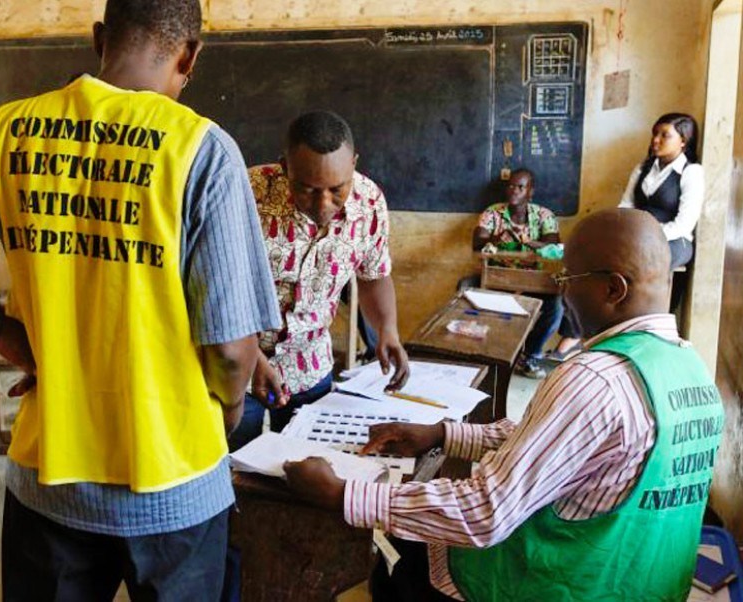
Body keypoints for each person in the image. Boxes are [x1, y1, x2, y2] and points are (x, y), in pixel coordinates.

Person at [0, 1, 281, 600]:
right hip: (177, 483)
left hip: (49, 477)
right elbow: (232, 352)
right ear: (191, 55)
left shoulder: (3, 133)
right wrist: (226, 416)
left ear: (99, 38)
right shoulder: (203, 152)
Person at [284, 208, 724, 601]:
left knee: (399, 557)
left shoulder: (593, 378)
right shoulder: (688, 367)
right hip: (645, 584)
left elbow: (485, 512)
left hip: (561, 586)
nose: (562, 294)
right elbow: (565, 445)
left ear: (613, 289)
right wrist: (443, 434)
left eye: (567, 279)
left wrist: (343, 493)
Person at [228, 111, 410, 451]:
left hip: (309, 366)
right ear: (285, 168)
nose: (323, 204)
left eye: (336, 189)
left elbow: (373, 276)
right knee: (234, 468)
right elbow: (219, 288)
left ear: (353, 164)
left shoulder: (369, 202)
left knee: (306, 467)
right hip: (239, 365)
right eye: (307, 190)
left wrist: (388, 330)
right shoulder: (246, 193)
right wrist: (252, 358)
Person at [467, 168, 563, 379]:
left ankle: (529, 356)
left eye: (520, 187)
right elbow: (477, 242)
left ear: (530, 192)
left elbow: (554, 245)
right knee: (465, 288)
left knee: (556, 306)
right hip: (498, 277)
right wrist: (495, 239)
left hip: (533, 281)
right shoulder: (493, 213)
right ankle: (479, 354)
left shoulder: (544, 215)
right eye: (511, 185)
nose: (514, 190)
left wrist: (528, 242)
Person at [619, 112, 704, 269]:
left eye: (665, 135)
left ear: (683, 141)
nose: (656, 140)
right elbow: (625, 206)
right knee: (602, 251)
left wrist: (647, 236)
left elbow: (684, 224)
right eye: (655, 133)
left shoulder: (691, 172)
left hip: (674, 241)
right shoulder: (642, 169)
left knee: (638, 260)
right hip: (638, 237)